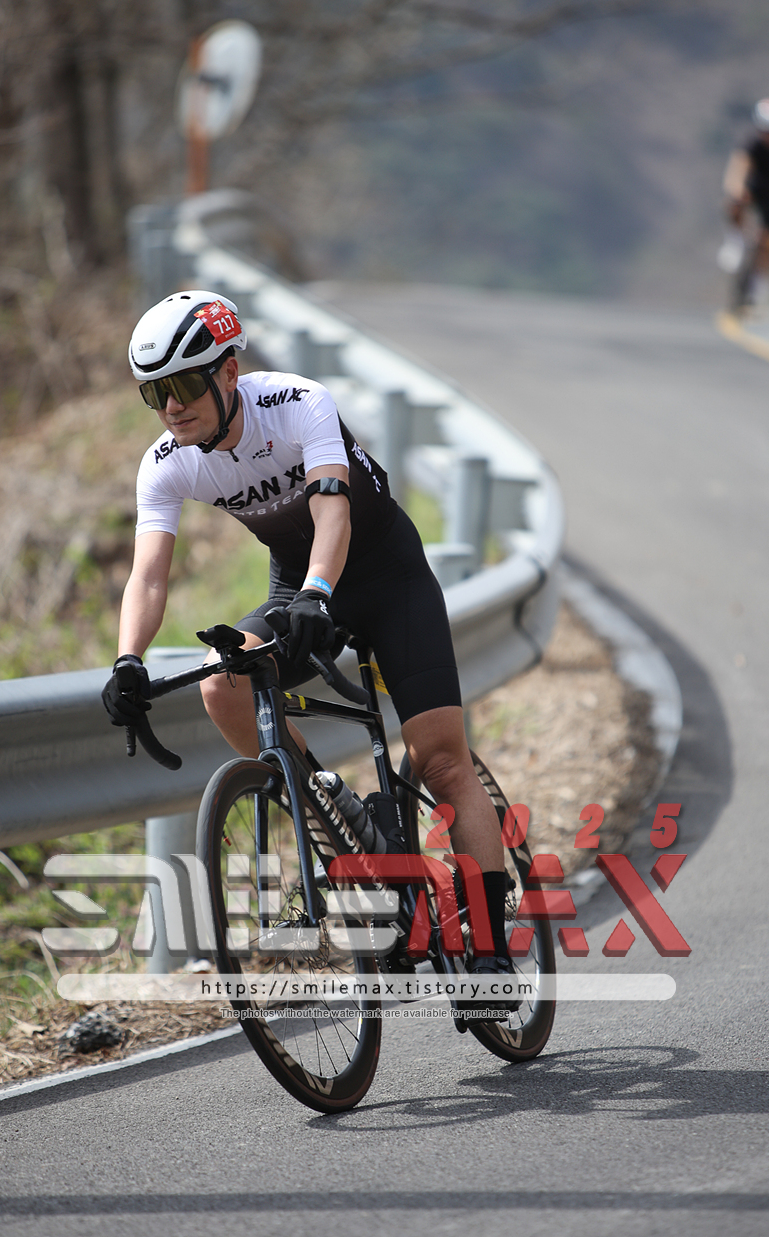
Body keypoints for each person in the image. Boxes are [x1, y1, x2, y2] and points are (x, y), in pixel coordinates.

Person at [100, 289, 519, 1006]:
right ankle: (334, 808)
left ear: (229, 372)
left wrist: (319, 594)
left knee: (443, 762)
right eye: (154, 393)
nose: (170, 406)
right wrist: (128, 659)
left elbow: (333, 510)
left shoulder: (297, 403)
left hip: (385, 577)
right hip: (300, 586)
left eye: (184, 384)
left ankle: (491, 949)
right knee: (220, 680)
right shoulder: (166, 462)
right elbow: (149, 575)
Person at [723, 96, 769, 310]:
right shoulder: (752, 145)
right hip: (755, 189)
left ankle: (757, 290)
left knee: (768, 243)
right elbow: (738, 170)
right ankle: (736, 240)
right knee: (733, 203)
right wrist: (737, 192)